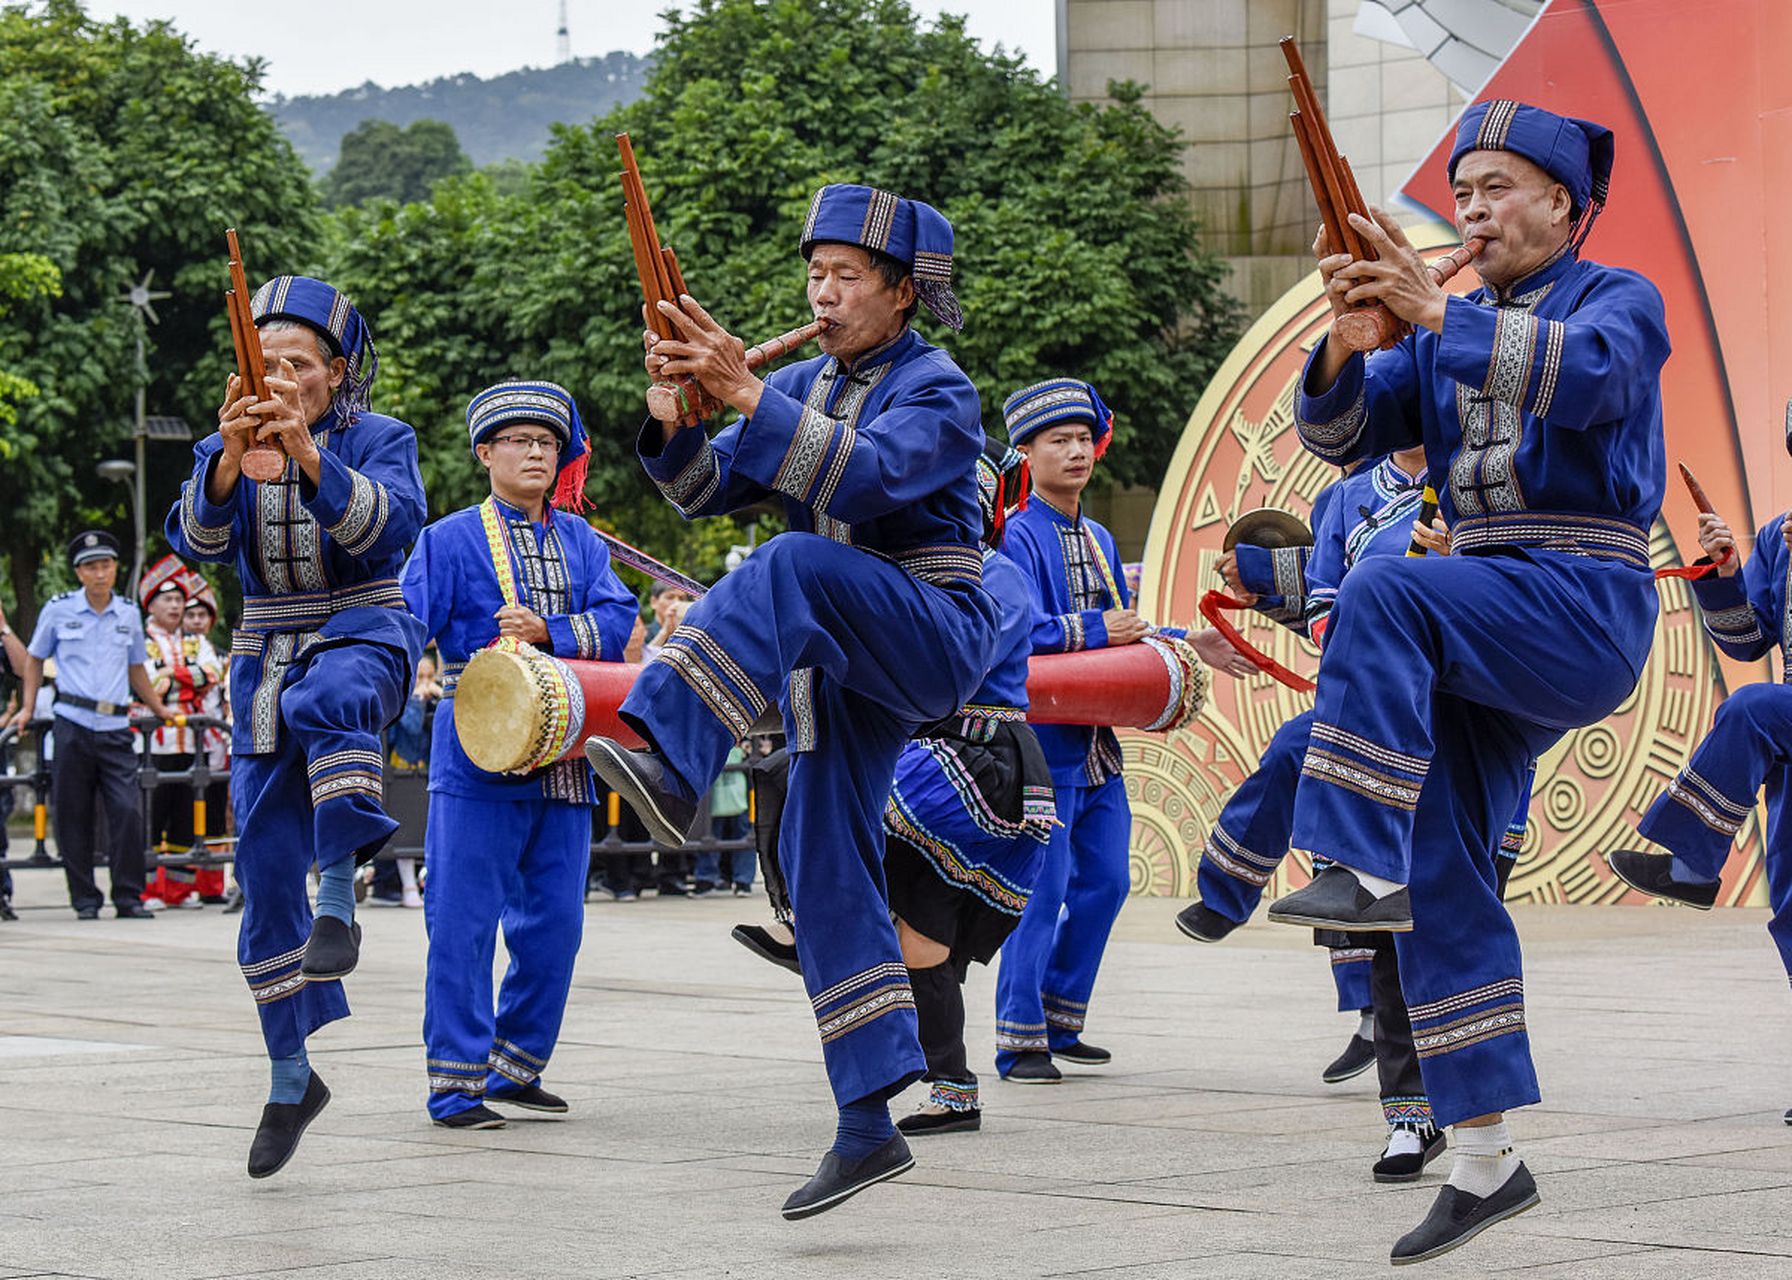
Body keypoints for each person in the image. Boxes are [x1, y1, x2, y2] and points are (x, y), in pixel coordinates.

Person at [1261, 101, 1669, 1262]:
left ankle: (1349, 855)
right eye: (1465, 188)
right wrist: (1349, 331)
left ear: (1563, 202)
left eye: (1497, 186)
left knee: (1384, 583)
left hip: (1582, 601)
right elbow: (1344, 436)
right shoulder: (1452, 320)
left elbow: (1590, 381)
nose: (1475, 208)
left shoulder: (1616, 298)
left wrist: (1435, 312)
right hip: (1483, 621)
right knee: (1447, 871)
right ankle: (1486, 1158)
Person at [584, 182, 999, 1219]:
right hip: (836, 647)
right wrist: (673, 411)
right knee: (819, 854)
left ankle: (676, 761)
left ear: (902, 294)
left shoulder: (939, 386)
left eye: (845, 276)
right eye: (813, 273)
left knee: (798, 558)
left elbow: (869, 481)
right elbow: (700, 489)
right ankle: (867, 1122)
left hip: (931, 629)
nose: (821, 292)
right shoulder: (810, 381)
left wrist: (748, 394)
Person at [164, 274, 426, 1179]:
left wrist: (310, 456)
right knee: (262, 877)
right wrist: (230, 461)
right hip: (261, 656)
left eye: (299, 365)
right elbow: (193, 548)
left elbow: (389, 532)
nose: (281, 378)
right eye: (265, 363)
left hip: (364, 625)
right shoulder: (218, 443)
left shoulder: (381, 438)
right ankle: (289, 1076)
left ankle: (342, 902)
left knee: (328, 698)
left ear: (336, 371)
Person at [991, 378, 1252, 1084]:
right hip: (1041, 742)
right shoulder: (1013, 534)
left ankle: (1059, 1016)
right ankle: (1018, 1041)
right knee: (1040, 890)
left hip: (1097, 742)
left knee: (1105, 882)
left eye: (1083, 439)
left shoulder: (1099, 536)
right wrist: (1088, 629)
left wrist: (1187, 642)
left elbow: (1122, 637)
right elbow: (1011, 635)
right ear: (1026, 453)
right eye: (1058, 441)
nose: (1077, 452)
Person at [401, 378, 636, 1129]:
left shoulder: (582, 540)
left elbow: (620, 617)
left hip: (566, 756)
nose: (537, 453)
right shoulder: (448, 539)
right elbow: (405, 626)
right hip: (476, 753)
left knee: (556, 926)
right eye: (520, 442)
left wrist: (552, 632)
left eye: (547, 444)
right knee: (462, 920)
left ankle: (515, 1064)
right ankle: (454, 1084)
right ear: (485, 454)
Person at [1605, 468, 1792, 1125]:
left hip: (1781, 720)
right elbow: (1747, 643)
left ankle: (1690, 865)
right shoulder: (1778, 539)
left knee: (1752, 708)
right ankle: (1691, 866)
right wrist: (1722, 571)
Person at [9, 532, 173, 919]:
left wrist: (158, 707)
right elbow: (34, 658)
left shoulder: (128, 612)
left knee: (127, 811)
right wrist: (27, 707)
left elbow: (136, 667)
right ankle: (84, 898)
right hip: (72, 722)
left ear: (115, 568)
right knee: (73, 814)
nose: (100, 574)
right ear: (79, 573)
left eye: (106, 565)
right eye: (92, 567)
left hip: (115, 724)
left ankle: (128, 896)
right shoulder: (58, 609)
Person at [140, 565, 226, 907]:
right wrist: (184, 680)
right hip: (152, 740)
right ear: (151, 605)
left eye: (179, 600)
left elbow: (212, 672)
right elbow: (145, 683)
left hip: (192, 740)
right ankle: (147, 889)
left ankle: (179, 889)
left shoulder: (197, 641)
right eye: (168, 600)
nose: (175, 607)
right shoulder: (142, 641)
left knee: (187, 815)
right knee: (151, 815)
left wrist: (169, 677)